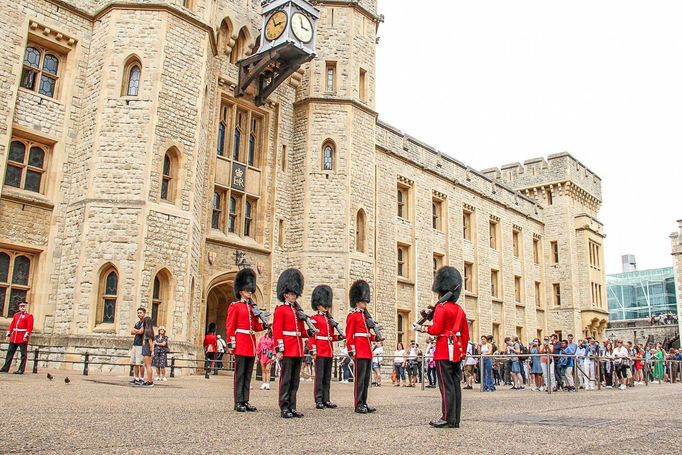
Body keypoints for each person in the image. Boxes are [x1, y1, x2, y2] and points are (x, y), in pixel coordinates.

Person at [415, 266, 469, 429]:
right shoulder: (459, 310)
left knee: (445, 386)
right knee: (455, 385)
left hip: (443, 351)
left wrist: (422, 328)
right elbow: (465, 335)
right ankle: (454, 419)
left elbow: (437, 330)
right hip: (457, 352)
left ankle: (446, 417)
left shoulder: (441, 307)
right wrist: (463, 353)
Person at [225, 268, 265, 412]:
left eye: (251, 290)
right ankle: (238, 401)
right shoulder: (235, 306)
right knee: (240, 373)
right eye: (248, 290)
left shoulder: (252, 308)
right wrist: (231, 343)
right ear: (241, 291)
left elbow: (255, 326)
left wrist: (265, 325)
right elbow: (230, 326)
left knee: (248, 373)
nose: (250, 293)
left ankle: (245, 400)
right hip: (241, 342)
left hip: (250, 343)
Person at [273, 268, 309, 418]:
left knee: (295, 381)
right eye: (291, 294)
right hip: (287, 348)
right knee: (286, 379)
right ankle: (284, 406)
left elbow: (301, 331)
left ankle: (292, 406)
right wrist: (279, 349)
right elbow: (277, 331)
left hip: (298, 349)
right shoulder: (281, 310)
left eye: (295, 294)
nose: (293, 296)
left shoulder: (297, 312)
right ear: (285, 294)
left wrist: (311, 332)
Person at [346, 280, 379, 414]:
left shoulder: (366, 317)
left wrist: (376, 337)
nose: (364, 304)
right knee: (359, 380)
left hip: (367, 351)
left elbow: (367, 335)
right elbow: (350, 335)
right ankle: (358, 404)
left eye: (365, 302)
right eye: (363, 302)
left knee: (366, 380)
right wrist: (351, 351)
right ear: (357, 302)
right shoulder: (353, 316)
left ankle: (364, 402)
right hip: (359, 351)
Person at [309, 284, 342, 408]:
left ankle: (326, 399)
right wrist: (313, 350)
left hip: (328, 350)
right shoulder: (314, 319)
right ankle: (318, 399)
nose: (326, 306)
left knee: (327, 376)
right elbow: (312, 336)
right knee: (320, 376)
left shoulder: (329, 320)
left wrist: (339, 337)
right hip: (320, 350)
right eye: (324, 304)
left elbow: (330, 337)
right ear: (318, 305)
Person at [1, 300, 33, 374]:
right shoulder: (16, 315)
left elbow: (29, 327)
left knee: (23, 354)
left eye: (24, 306)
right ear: (19, 307)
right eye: (21, 306)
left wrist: (26, 335)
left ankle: (21, 369)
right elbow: (12, 324)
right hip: (14, 336)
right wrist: (9, 333)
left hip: (22, 337)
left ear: (26, 307)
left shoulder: (29, 316)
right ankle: (5, 368)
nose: (22, 308)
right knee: (10, 353)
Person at [129, 307, 146, 385]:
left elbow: (141, 331)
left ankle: (142, 378)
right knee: (135, 362)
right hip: (135, 343)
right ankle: (136, 378)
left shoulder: (145, 322)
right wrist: (137, 331)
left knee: (141, 363)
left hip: (141, 345)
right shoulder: (137, 323)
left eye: (140, 312)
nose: (139, 314)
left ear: (144, 313)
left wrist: (136, 331)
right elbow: (131, 331)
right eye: (138, 313)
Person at [141, 315, 155, 387]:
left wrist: (152, 350)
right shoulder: (151, 330)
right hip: (147, 348)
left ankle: (150, 381)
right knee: (147, 365)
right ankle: (149, 380)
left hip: (147, 348)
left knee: (148, 365)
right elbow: (153, 341)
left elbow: (150, 341)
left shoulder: (147, 331)